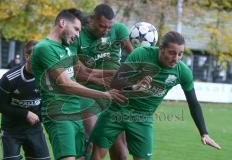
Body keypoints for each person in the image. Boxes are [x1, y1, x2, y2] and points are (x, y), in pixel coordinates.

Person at [90, 31, 221, 160]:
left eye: (180, 54)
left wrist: (204, 133)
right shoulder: (141, 53)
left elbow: (193, 103)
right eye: (172, 53)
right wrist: (135, 86)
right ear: (161, 49)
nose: (176, 58)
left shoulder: (183, 72)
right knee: (96, 157)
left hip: (143, 118)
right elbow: (116, 82)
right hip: (116, 111)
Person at [31, 8, 126, 160]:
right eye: (76, 29)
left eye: (79, 30)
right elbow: (66, 84)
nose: (77, 34)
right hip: (59, 114)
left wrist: (125, 73)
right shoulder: (44, 48)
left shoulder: (66, 49)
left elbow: (89, 73)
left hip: (75, 113)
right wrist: (103, 94)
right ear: (62, 23)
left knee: (84, 156)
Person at [69, 4, 133, 160]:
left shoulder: (119, 30)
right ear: (92, 20)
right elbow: (80, 73)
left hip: (115, 96)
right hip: (88, 94)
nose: (106, 30)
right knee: (91, 141)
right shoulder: (79, 35)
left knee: (121, 154)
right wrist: (110, 74)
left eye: (109, 27)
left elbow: (134, 56)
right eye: (102, 26)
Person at [0, 40, 50, 160]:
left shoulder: (47, 79)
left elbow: (47, 105)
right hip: (11, 131)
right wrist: (26, 114)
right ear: (27, 56)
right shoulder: (10, 78)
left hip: (35, 130)